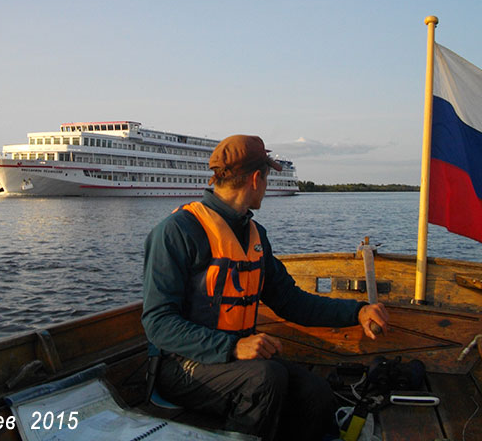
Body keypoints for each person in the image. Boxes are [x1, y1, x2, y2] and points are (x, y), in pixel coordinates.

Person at [142, 134, 389, 441]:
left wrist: (358, 311)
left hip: (238, 365)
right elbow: (158, 323)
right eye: (268, 177)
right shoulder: (176, 232)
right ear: (257, 179)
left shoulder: (255, 234)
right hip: (181, 368)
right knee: (266, 378)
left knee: (316, 392)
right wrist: (233, 346)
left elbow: (291, 301)